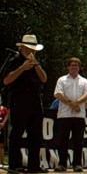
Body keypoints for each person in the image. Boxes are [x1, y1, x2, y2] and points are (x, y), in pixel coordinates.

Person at [3, 34, 48, 173]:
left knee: (35, 135)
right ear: (22, 47)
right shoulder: (14, 60)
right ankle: (14, 165)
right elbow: (6, 80)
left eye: (34, 49)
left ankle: (33, 166)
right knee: (16, 134)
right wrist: (23, 68)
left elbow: (44, 79)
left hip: (35, 102)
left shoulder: (36, 62)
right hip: (19, 102)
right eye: (29, 48)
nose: (32, 51)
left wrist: (36, 65)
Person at [53, 57, 87, 172]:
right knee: (63, 141)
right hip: (64, 115)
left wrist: (77, 103)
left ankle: (77, 164)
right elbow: (58, 94)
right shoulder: (62, 80)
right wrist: (72, 104)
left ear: (79, 68)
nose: (74, 67)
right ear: (68, 67)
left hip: (79, 116)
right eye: (72, 65)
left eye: (76, 65)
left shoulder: (84, 81)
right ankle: (62, 164)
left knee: (78, 141)